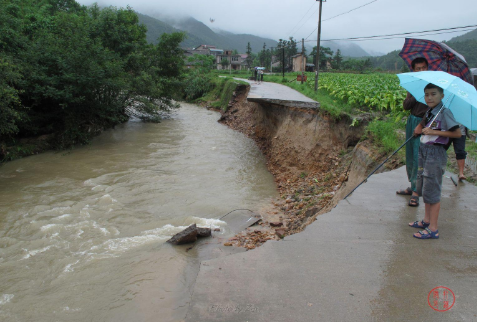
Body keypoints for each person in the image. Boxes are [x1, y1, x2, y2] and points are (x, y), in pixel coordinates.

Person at [409, 83, 461, 239]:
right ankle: (426, 220)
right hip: (424, 150)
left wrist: (433, 131)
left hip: (435, 153)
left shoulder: (445, 113)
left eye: (433, 94)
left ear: (442, 96)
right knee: (424, 186)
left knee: (433, 189)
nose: (429, 97)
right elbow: (423, 127)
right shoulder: (431, 112)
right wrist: (420, 128)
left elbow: (457, 133)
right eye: (426, 95)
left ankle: (433, 228)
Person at [396, 57, 429, 207]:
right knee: (409, 155)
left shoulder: (432, 87)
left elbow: (433, 110)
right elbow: (405, 106)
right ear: (414, 70)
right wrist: (415, 94)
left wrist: (421, 125)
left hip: (424, 124)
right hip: (412, 121)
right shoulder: (413, 86)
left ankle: (416, 192)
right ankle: (412, 185)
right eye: (418, 69)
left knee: (418, 158)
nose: (421, 71)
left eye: (423, 68)